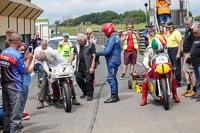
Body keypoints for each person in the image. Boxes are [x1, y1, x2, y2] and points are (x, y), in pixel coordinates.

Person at [0, 33, 32, 133]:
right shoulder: (17, 55)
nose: (21, 43)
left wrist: (24, 58)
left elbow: (13, 66)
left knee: (7, 113)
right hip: (15, 87)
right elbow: (24, 69)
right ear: (17, 41)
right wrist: (29, 60)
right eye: (21, 41)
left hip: (5, 86)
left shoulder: (3, 53)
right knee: (16, 114)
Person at [35, 40, 80, 109]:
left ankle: (74, 98)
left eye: (43, 58)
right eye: (41, 60)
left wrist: (67, 64)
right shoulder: (42, 59)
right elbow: (44, 65)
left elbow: (61, 58)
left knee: (69, 78)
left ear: (44, 54)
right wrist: (47, 72)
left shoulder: (51, 52)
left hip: (61, 64)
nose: (43, 60)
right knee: (45, 81)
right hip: (51, 68)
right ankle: (41, 101)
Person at [140, 36, 180, 106]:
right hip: (153, 67)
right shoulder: (148, 49)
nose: (159, 51)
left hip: (164, 66)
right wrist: (147, 66)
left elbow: (168, 57)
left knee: (173, 78)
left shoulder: (164, 47)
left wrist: (171, 65)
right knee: (145, 80)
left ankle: (175, 95)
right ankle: (144, 99)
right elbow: (145, 59)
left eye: (160, 50)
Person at [97, 23, 121, 103]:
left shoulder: (112, 38)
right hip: (115, 60)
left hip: (112, 61)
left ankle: (114, 96)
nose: (104, 33)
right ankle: (115, 95)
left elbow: (107, 51)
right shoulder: (115, 36)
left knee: (111, 78)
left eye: (104, 32)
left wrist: (98, 53)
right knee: (113, 77)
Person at [70, 33, 96, 101]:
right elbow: (73, 54)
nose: (79, 42)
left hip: (88, 65)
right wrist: (69, 61)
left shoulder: (91, 45)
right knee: (78, 78)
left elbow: (94, 56)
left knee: (89, 80)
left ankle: (90, 95)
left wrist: (92, 67)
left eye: (80, 41)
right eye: (78, 41)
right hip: (80, 65)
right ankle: (85, 92)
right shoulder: (77, 46)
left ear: (84, 40)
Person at [19, 43, 35, 122]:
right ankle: (17, 124)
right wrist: (32, 60)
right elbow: (28, 70)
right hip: (23, 83)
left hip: (23, 82)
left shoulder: (20, 58)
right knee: (21, 102)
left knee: (21, 102)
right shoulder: (19, 58)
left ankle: (22, 112)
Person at [181, 16, 197, 97]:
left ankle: (194, 90)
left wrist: (190, 55)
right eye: (185, 24)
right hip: (185, 53)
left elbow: (194, 43)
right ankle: (188, 88)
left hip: (190, 53)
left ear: (191, 22)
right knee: (185, 70)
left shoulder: (193, 30)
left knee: (191, 72)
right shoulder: (187, 29)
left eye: (187, 24)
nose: (186, 25)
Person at [165, 22, 182, 87]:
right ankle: (172, 80)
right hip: (169, 50)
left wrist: (178, 53)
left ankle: (178, 82)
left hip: (175, 49)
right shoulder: (168, 33)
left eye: (169, 27)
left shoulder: (177, 33)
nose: (168, 29)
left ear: (173, 27)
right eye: (167, 28)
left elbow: (180, 43)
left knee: (176, 66)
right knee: (171, 66)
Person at [190, 25, 200, 100]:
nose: (194, 34)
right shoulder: (195, 39)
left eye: (196, 33)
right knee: (198, 79)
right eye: (193, 33)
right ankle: (199, 93)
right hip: (195, 62)